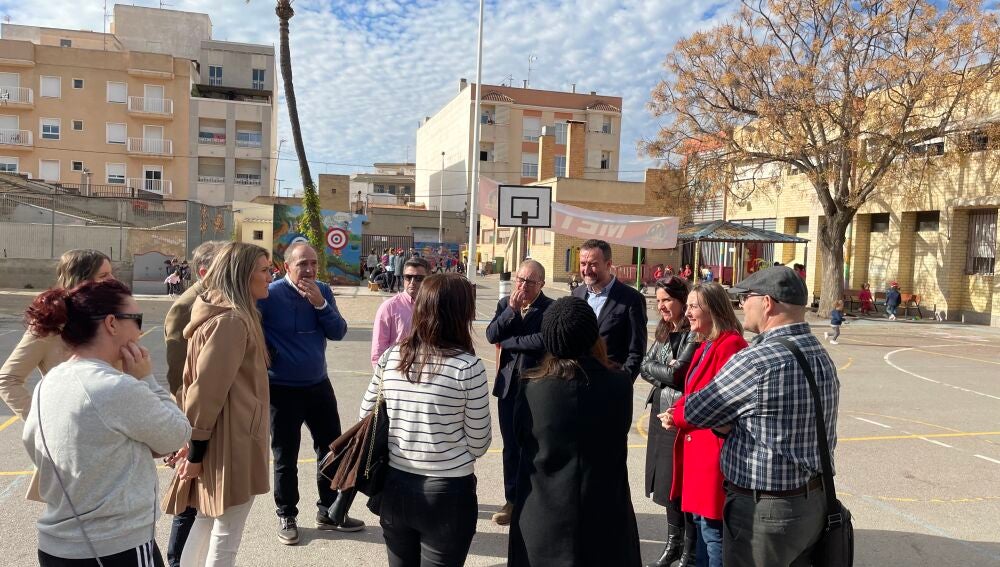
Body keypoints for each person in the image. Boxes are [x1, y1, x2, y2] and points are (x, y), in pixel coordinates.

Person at [665, 266, 840, 567]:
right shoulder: (820, 355)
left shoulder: (757, 360)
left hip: (766, 510)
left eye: (746, 297)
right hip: (814, 500)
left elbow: (695, 411)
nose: (742, 304)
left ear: (767, 303)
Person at [23, 279, 191, 566]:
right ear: (112, 323)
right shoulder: (115, 386)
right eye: (136, 320)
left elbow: (33, 443)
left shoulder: (49, 381)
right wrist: (146, 378)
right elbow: (177, 433)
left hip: (58, 545)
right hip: (113, 546)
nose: (140, 331)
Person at [360, 274, 491, 567]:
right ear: (461, 314)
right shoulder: (467, 367)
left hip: (395, 484)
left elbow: (367, 413)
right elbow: (479, 442)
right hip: (447, 490)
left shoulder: (392, 356)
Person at [160, 242, 273, 567]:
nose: (270, 277)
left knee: (207, 523)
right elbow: (204, 392)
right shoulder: (231, 322)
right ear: (242, 275)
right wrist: (195, 452)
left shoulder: (230, 316)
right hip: (230, 444)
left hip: (226, 439)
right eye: (264, 270)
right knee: (225, 537)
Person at [509, 297, 641, 567]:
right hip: (606, 514)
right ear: (593, 335)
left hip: (543, 516)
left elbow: (521, 438)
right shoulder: (620, 384)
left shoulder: (532, 388)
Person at [257, 242, 361, 545]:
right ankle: (287, 514)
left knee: (331, 450)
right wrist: (263, 348)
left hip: (318, 385)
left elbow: (338, 331)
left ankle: (328, 510)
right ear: (286, 266)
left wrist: (320, 305)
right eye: (302, 263)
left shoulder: (323, 291)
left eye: (314, 263)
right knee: (285, 456)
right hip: (282, 389)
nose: (310, 269)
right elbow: (250, 326)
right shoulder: (269, 294)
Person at [659, 283, 747, 567]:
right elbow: (696, 393)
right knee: (700, 528)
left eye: (694, 306)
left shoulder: (730, 345)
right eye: (688, 306)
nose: (687, 312)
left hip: (713, 453)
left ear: (714, 310)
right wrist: (676, 410)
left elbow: (720, 401)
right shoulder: (707, 343)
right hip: (699, 452)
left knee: (713, 533)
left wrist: (679, 416)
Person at [162, 240, 224, 567]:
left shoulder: (220, 300)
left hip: (209, 414)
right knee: (188, 496)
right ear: (204, 272)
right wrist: (186, 427)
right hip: (193, 417)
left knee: (201, 496)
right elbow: (177, 374)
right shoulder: (185, 306)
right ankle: (177, 560)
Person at [1, 249, 115, 422]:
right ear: (80, 281)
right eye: (104, 275)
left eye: (111, 273)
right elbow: (8, 379)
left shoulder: (112, 318)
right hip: (71, 430)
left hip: (113, 428)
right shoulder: (50, 324)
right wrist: (42, 422)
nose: (112, 280)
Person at [485, 259, 553, 526]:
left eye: (530, 282)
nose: (523, 286)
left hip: (537, 387)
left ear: (541, 284)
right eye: (520, 280)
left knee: (536, 446)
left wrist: (510, 342)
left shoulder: (550, 308)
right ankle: (512, 499)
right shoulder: (505, 304)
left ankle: (536, 501)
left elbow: (543, 341)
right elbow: (492, 335)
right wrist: (510, 312)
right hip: (508, 388)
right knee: (511, 447)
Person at [639, 277, 698, 567]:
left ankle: (689, 551)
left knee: (680, 483)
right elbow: (643, 367)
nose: (661, 306)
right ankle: (673, 544)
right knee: (665, 483)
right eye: (658, 300)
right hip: (660, 412)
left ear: (682, 301)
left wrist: (662, 371)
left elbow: (678, 375)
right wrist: (663, 370)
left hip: (678, 415)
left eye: (667, 300)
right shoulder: (665, 330)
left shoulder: (691, 334)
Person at [571, 239, 647, 380]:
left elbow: (636, 352)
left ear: (608, 264)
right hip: (579, 380)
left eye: (593, 264)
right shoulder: (577, 294)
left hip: (611, 381)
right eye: (583, 264)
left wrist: (621, 383)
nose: (586, 270)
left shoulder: (631, 299)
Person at [370, 256, 431, 367]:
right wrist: (381, 374)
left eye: (418, 278)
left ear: (428, 279)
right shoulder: (389, 308)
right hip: (397, 371)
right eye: (408, 277)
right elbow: (378, 349)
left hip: (429, 371)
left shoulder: (435, 306)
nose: (412, 282)